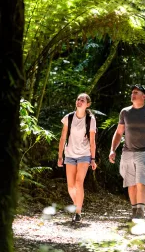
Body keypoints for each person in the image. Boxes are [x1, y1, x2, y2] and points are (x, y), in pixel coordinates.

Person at [109, 84, 145, 219]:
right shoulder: (125, 112)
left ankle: (140, 212)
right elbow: (119, 132)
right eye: (132, 92)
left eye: (136, 92)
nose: (133, 94)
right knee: (130, 184)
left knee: (140, 182)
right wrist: (112, 149)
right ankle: (134, 211)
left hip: (144, 152)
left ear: (144, 96)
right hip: (127, 152)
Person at [57, 93, 97, 223]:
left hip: (84, 155)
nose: (79, 101)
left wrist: (93, 158)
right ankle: (78, 205)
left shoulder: (90, 119)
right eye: (78, 99)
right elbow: (63, 137)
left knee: (79, 183)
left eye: (82, 100)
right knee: (70, 186)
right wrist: (60, 156)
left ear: (88, 104)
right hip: (69, 155)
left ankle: (77, 212)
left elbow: (92, 141)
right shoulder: (68, 117)